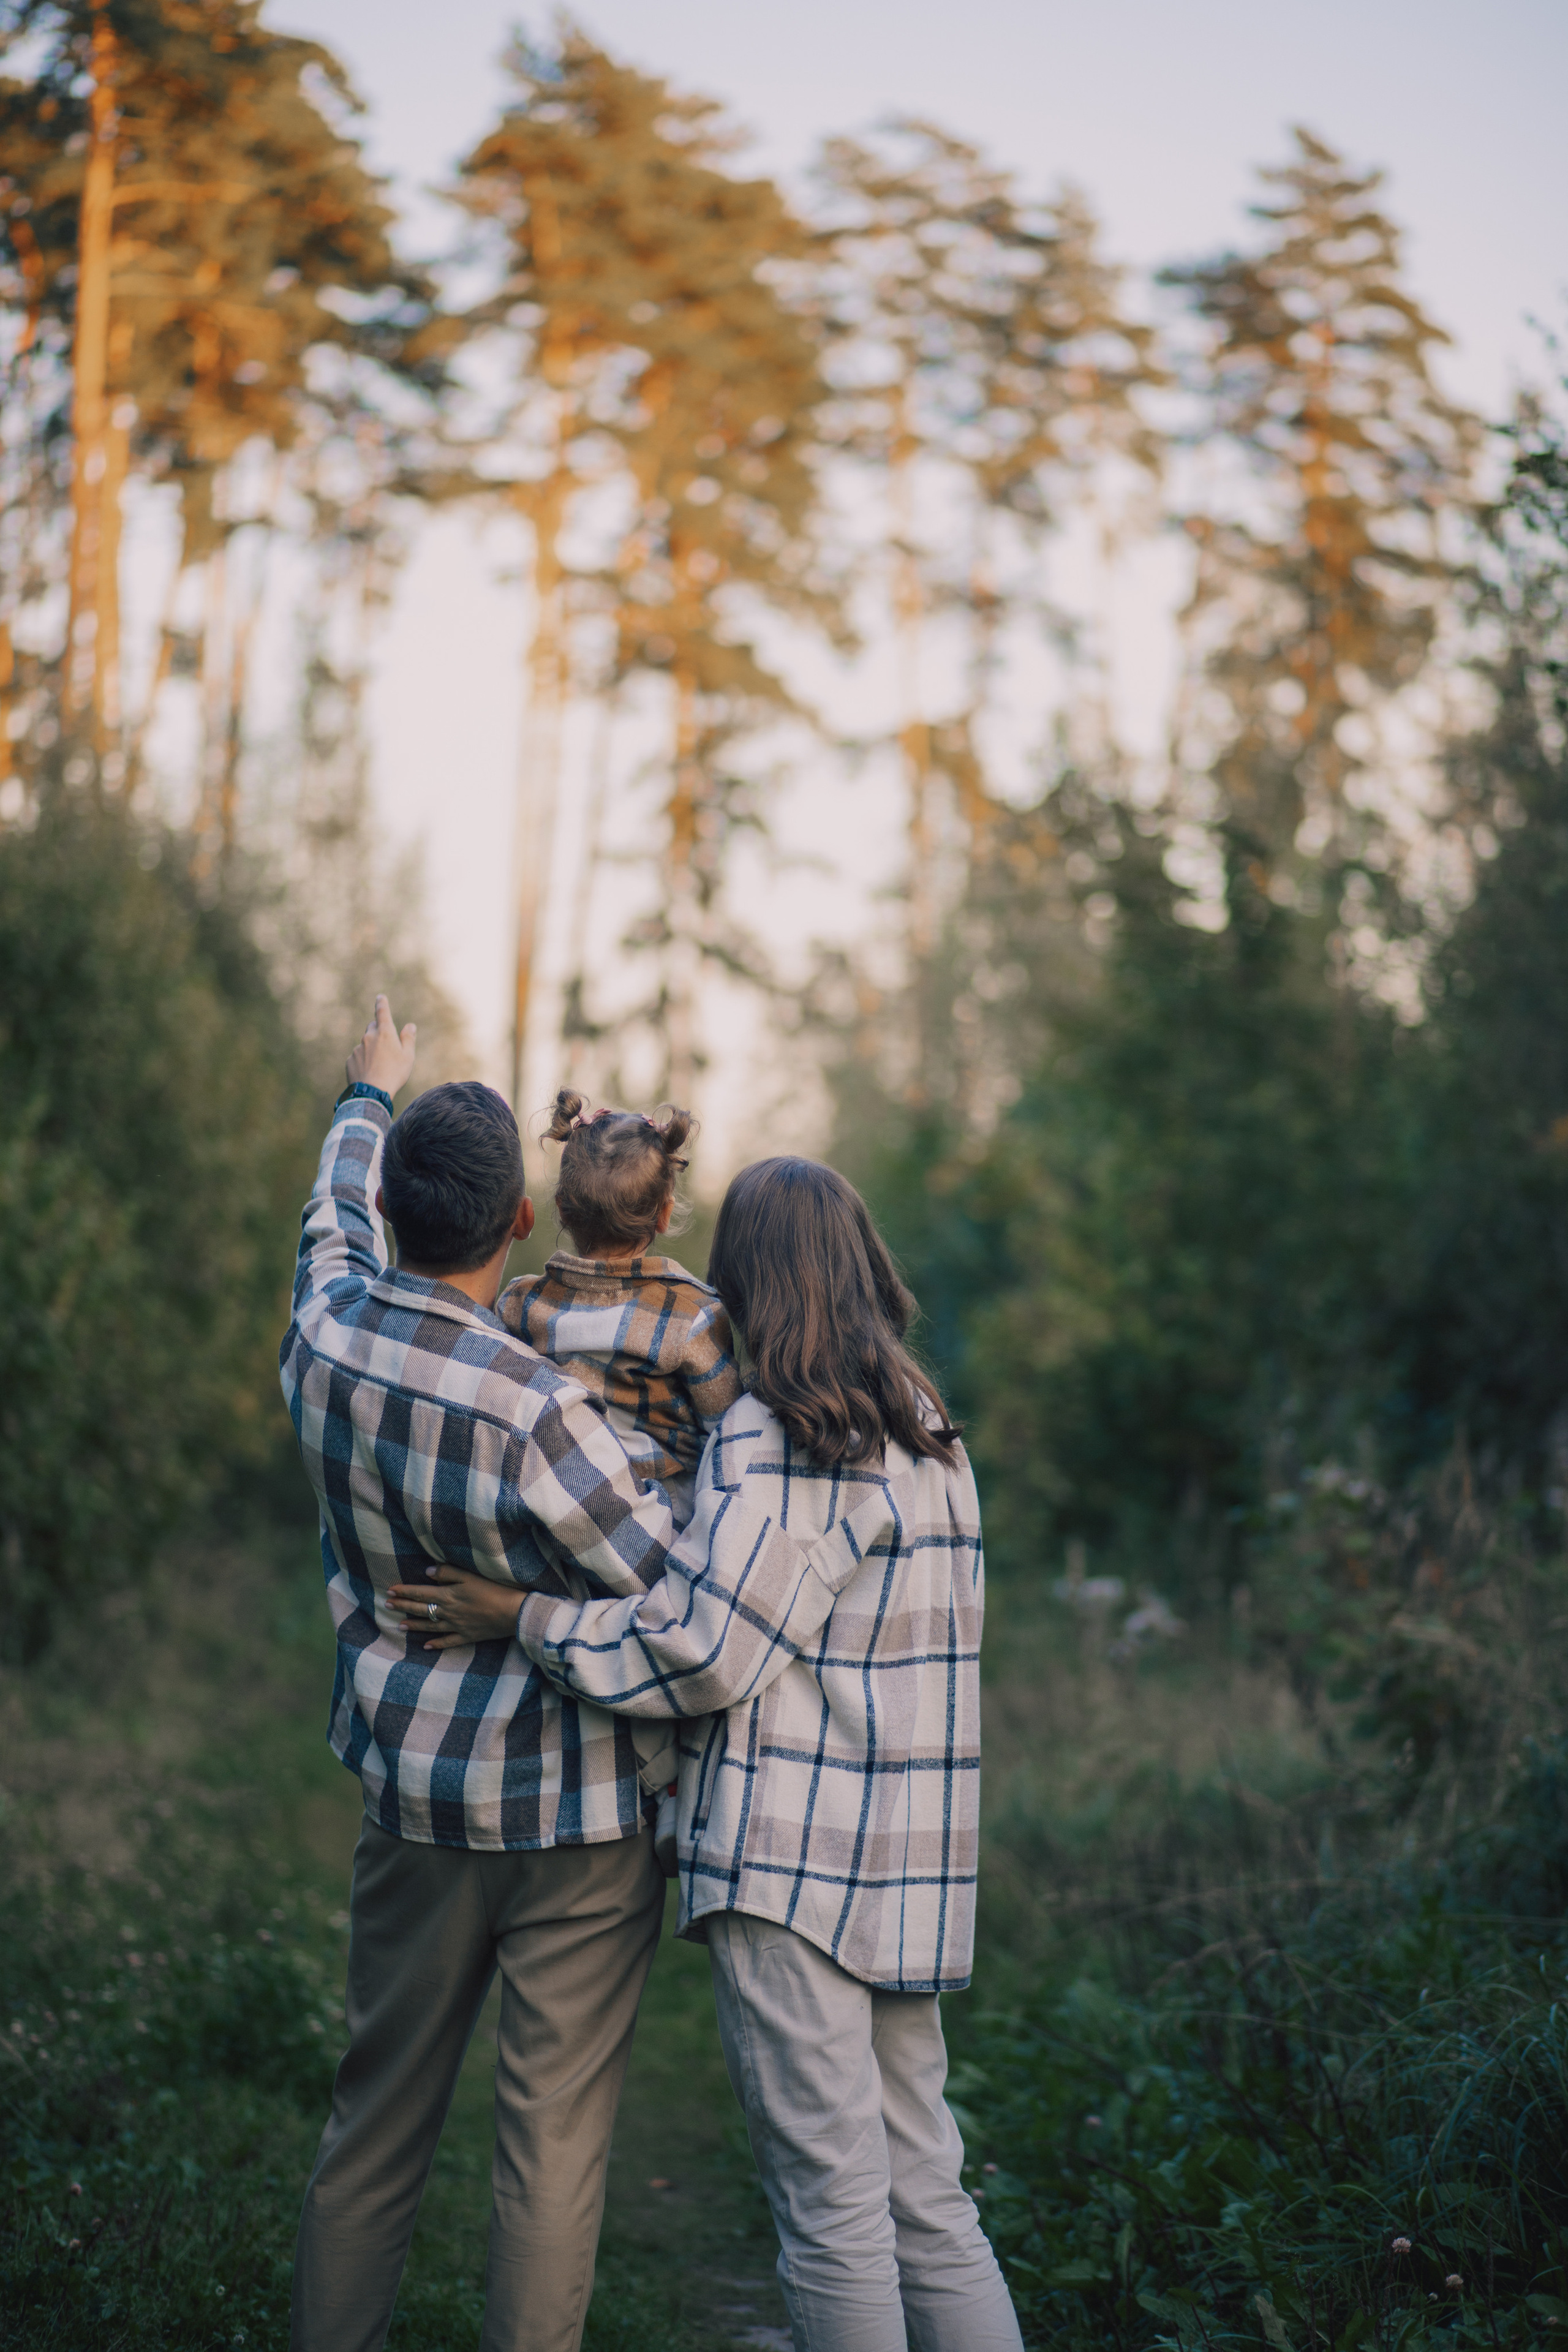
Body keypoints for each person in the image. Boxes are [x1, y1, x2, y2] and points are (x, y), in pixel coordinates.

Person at [284, 999, 890, 2352]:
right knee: (549, 2148)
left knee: (372, 2125)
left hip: (411, 1807)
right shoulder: (537, 1413)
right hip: (577, 1816)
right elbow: (674, 1582)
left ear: (398, 1209)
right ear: (514, 1229)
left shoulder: (321, 1331)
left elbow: (328, 1220)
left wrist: (365, 1098)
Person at [402, 1154, 1024, 2352]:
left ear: (742, 1277)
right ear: (858, 1264)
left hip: (792, 1870)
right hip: (908, 1870)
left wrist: (518, 1616)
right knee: (924, 2197)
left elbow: (698, 1653)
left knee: (833, 2207)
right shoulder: (928, 1429)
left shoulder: (778, 1435)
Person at [496, 1088, 743, 1872]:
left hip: (557, 1509)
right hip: (660, 1525)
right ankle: (671, 1796)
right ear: (668, 1209)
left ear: (559, 1208)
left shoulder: (519, 1306)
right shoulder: (697, 1319)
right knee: (658, 1654)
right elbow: (730, 1427)